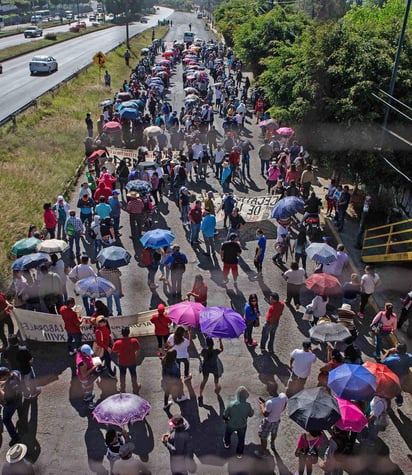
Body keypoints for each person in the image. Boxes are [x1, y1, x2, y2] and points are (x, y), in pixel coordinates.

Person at [254, 381, 287, 457]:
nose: (267, 390)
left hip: (269, 421)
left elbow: (265, 414)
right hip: (277, 420)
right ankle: (272, 443)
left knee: (263, 437)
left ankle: (262, 452)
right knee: (274, 432)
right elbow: (284, 406)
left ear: (270, 390)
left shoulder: (270, 402)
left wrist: (262, 405)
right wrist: (278, 410)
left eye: (268, 389)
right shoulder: (283, 396)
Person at [223, 386, 254, 458]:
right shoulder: (248, 405)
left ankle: (227, 444)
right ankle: (239, 453)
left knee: (227, 434)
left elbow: (225, 415)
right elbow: (251, 414)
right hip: (242, 426)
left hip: (231, 424)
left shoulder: (231, 404)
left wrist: (226, 420)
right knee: (241, 439)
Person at [112, 326, 141, 394]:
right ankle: (135, 387)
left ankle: (122, 388)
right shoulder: (134, 341)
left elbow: (114, 350)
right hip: (132, 361)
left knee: (122, 375)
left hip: (122, 361)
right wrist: (135, 356)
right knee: (133, 374)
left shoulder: (118, 343)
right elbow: (138, 350)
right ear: (129, 333)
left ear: (122, 333)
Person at [0, 366, 23, 446]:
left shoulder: (9, 386)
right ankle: (23, 423)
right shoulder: (15, 372)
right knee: (20, 408)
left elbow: (4, 397)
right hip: (19, 397)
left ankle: (15, 437)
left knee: (6, 419)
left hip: (11, 403)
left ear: (5, 376)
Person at [198, 337, 224, 407]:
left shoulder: (204, 351)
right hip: (214, 367)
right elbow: (222, 349)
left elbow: (201, 354)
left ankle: (200, 395)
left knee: (204, 380)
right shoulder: (215, 351)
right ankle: (216, 389)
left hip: (206, 367)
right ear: (213, 344)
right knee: (216, 379)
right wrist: (220, 340)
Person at [76, 344, 100, 409]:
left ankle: (87, 396)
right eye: (88, 354)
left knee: (86, 388)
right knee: (88, 389)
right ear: (83, 353)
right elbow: (84, 374)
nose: (89, 355)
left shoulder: (80, 352)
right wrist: (94, 366)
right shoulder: (82, 363)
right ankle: (90, 403)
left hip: (84, 378)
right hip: (86, 378)